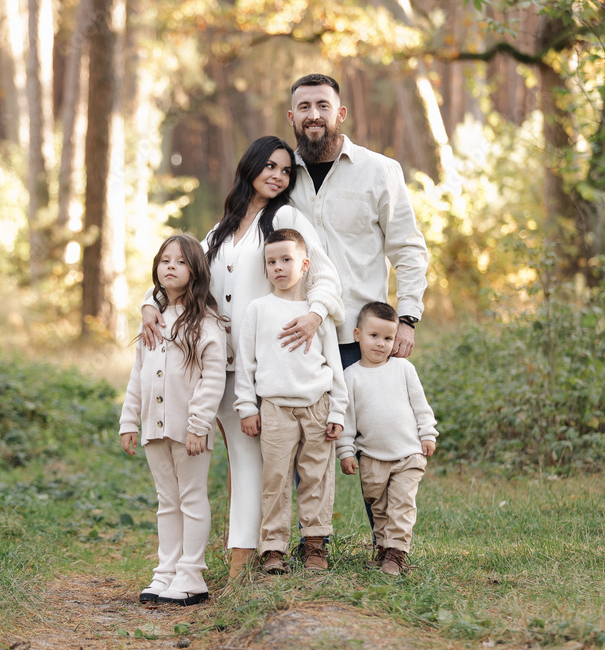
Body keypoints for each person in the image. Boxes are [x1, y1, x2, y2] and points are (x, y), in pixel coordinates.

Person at [140, 136, 344, 579]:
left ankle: (243, 563)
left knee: (251, 464)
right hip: (208, 362)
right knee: (193, 456)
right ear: (249, 166)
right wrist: (149, 303)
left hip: (258, 366)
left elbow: (324, 272)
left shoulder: (285, 217)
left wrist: (314, 314)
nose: (277, 175)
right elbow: (184, 271)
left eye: (286, 170)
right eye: (269, 166)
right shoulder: (221, 228)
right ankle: (179, 564)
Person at [287, 73, 429, 368]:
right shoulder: (279, 177)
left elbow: (408, 249)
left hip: (362, 339)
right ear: (292, 117)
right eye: (304, 107)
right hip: (297, 338)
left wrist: (407, 319)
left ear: (341, 114)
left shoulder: (380, 171)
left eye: (323, 106)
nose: (313, 115)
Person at [119, 234, 227, 606]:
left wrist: (199, 425)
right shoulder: (154, 321)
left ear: (195, 271)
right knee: (167, 501)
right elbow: (139, 374)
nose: (171, 267)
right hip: (154, 427)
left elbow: (213, 378)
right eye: (165, 260)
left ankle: (191, 575)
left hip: (189, 431)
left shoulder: (206, 324)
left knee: (191, 499)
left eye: (180, 262)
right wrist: (129, 421)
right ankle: (165, 572)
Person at [234, 228, 347, 573]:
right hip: (275, 407)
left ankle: (315, 545)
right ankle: (273, 549)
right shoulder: (258, 310)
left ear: (305, 264)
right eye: (271, 261)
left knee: (316, 476)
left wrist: (338, 410)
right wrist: (247, 406)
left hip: (316, 405)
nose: (278, 267)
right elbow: (245, 363)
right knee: (276, 479)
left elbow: (334, 366)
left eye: (286, 259)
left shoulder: (318, 314)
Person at [336, 302, 438, 575]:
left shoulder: (403, 369)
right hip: (371, 456)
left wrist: (427, 433)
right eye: (374, 336)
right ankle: (383, 548)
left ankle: (397, 552)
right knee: (378, 506)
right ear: (357, 335)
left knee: (401, 505)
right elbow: (347, 420)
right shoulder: (351, 376)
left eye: (388, 338)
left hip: (407, 454)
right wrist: (346, 451)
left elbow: (420, 405)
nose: (381, 344)